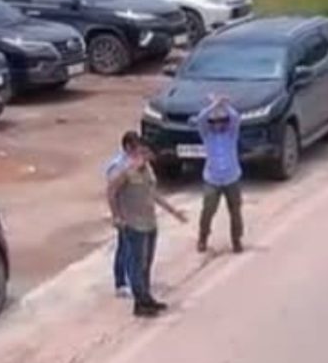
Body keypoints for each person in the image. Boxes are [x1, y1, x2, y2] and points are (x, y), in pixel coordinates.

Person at [107, 135, 187, 318]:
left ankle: (146, 298)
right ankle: (140, 302)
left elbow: (153, 194)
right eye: (142, 152)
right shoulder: (123, 170)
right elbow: (111, 192)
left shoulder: (147, 170)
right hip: (133, 224)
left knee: (146, 263)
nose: (147, 156)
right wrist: (117, 217)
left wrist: (174, 212)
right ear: (132, 151)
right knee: (136, 264)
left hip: (150, 222)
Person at [194, 94, 245, 254]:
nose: (218, 124)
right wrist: (213, 105)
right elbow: (200, 119)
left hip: (232, 178)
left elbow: (236, 117)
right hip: (212, 179)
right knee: (207, 210)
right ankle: (203, 237)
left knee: (235, 211)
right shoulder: (207, 136)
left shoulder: (231, 135)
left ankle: (236, 240)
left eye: (222, 121)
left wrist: (224, 105)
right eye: (215, 122)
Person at [105, 136, 135, 296]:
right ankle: (121, 282)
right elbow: (111, 193)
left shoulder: (133, 163)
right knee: (124, 248)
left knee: (131, 247)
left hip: (133, 213)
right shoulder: (117, 166)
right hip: (123, 213)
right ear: (128, 147)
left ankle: (131, 279)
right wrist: (116, 216)